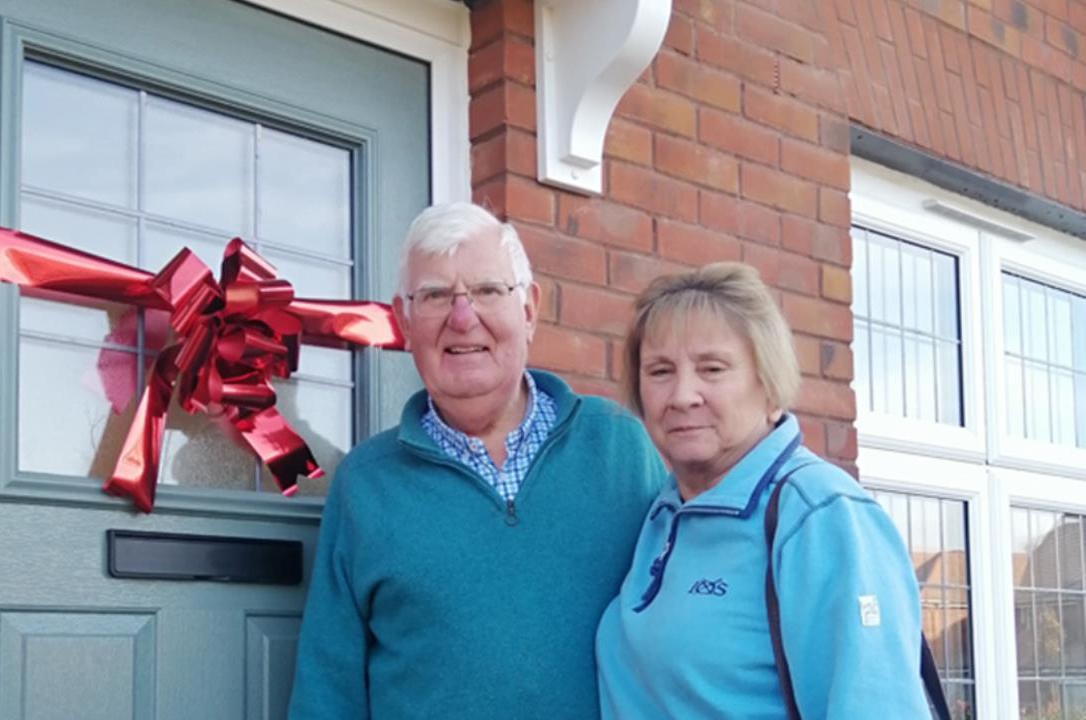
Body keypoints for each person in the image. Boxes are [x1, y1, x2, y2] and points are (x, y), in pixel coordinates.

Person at [288, 203, 668, 719]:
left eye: (488, 291)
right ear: (403, 321)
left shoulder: (620, 449)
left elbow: (690, 628)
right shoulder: (365, 485)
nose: (463, 318)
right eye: (435, 296)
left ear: (529, 309)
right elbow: (327, 689)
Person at [596, 262, 931, 718]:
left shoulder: (819, 516)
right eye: (659, 371)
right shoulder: (663, 512)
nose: (682, 395)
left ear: (770, 388)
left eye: (712, 369)